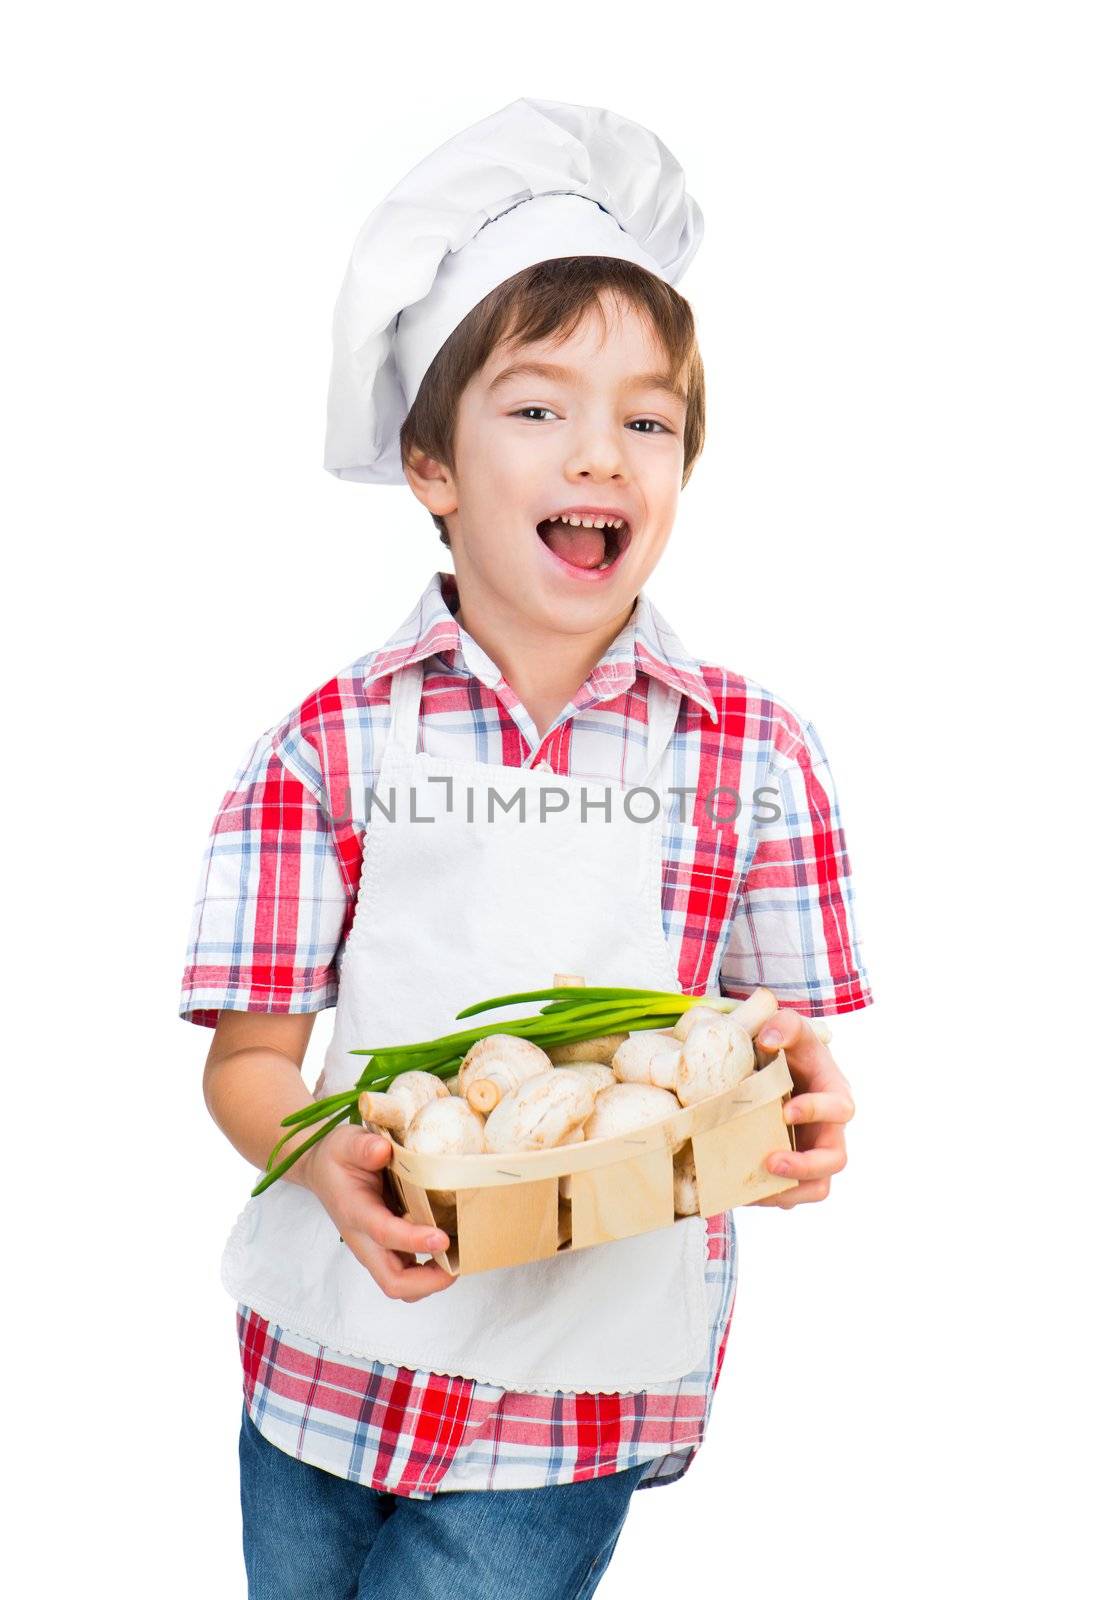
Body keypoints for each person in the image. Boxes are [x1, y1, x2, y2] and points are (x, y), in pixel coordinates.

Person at [180, 97, 874, 1600]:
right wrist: (325, 1156)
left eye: (645, 420)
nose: (600, 453)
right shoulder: (330, 747)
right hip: (325, 1369)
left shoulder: (754, 755)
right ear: (430, 467)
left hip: (576, 1395)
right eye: (538, 406)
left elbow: (774, 1047)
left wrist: (798, 1116)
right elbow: (247, 1067)